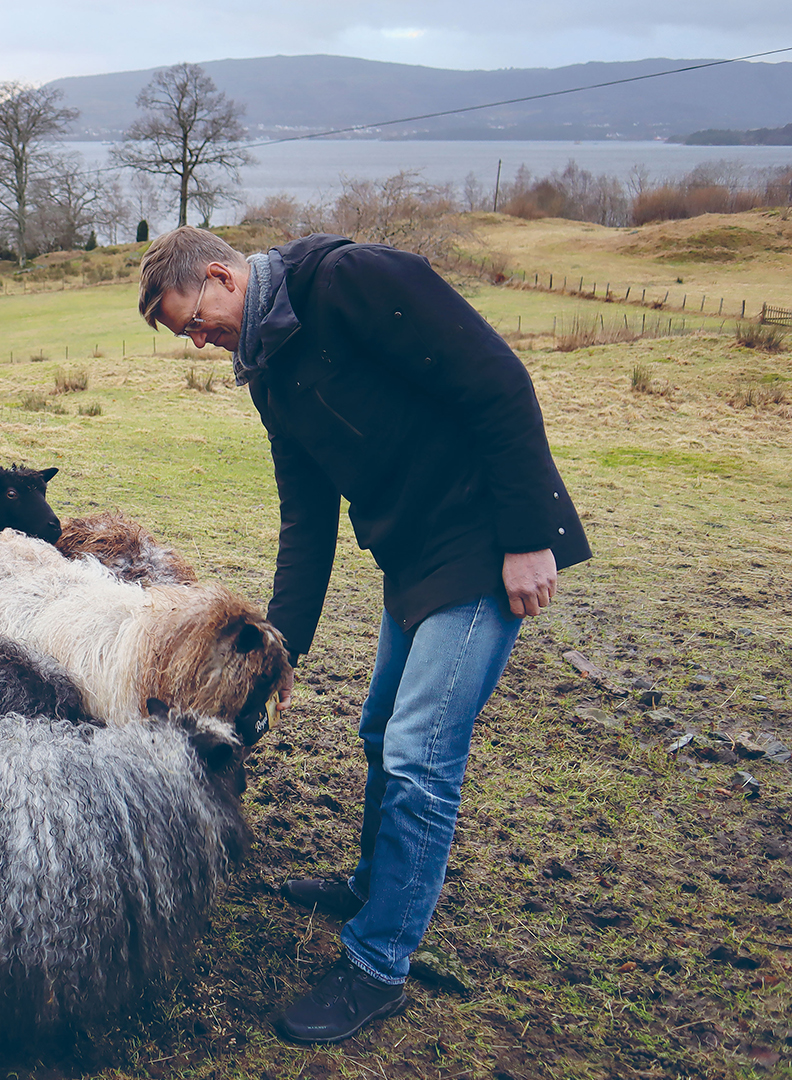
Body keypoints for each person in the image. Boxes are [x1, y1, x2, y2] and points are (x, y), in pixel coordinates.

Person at [136, 226, 590, 1044]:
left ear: (220, 276)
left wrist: (528, 534)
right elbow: (304, 516)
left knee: (420, 751)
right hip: (413, 554)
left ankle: (379, 963)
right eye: (187, 338)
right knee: (380, 728)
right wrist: (275, 647)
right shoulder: (268, 376)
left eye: (196, 322)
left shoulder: (347, 282)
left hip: (484, 537)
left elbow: (495, 380)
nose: (200, 342)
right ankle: (373, 884)